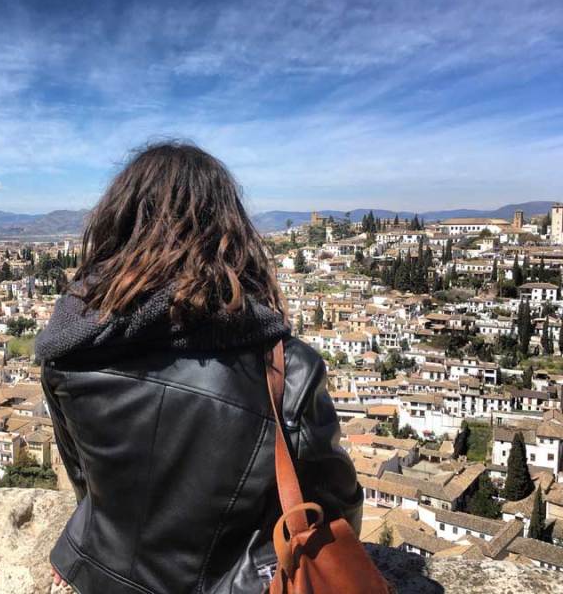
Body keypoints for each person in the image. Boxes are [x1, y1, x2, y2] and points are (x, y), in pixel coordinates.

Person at [37, 142, 361, 594]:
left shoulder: (70, 344)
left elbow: (84, 481)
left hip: (96, 579)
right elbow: (332, 509)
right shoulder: (286, 368)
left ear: (119, 223)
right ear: (229, 232)